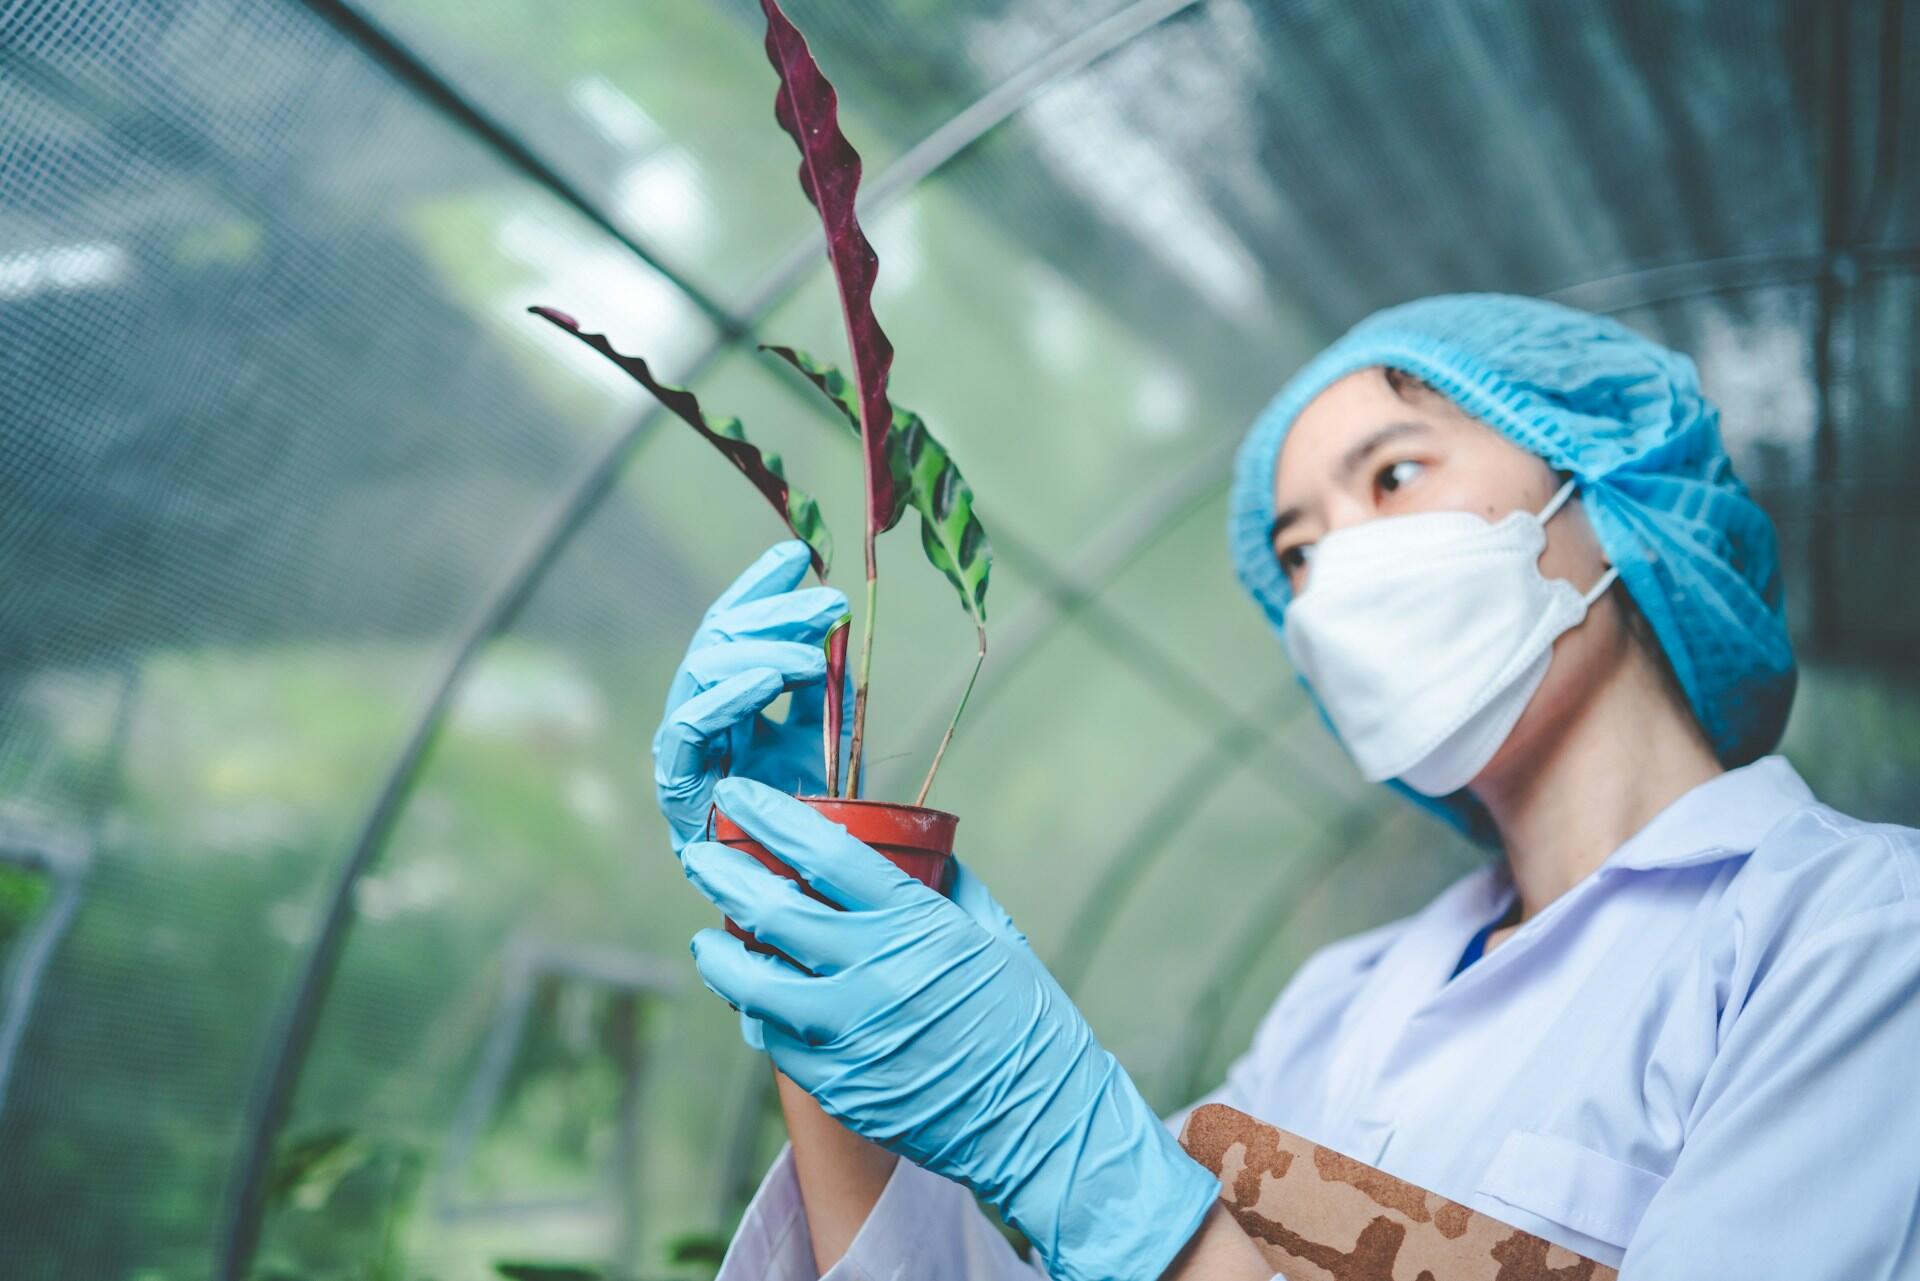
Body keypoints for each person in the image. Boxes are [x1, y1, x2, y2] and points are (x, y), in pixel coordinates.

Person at [651, 294, 1920, 1281]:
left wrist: (1109, 1186)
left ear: (1615, 496)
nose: (1338, 578)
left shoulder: (1855, 931)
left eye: (1394, 477)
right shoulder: (1341, 1003)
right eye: (1298, 553)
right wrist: (820, 959)